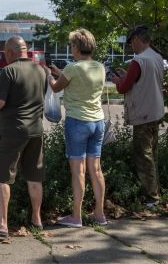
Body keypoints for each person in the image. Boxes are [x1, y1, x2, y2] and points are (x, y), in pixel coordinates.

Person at [0, 35, 46, 238]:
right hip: (36, 130)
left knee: (3, 178)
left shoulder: (8, 71)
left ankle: (1, 225)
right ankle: (37, 220)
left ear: (10, 52)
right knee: (35, 177)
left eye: (5, 53)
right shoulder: (40, 70)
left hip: (13, 132)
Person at [44, 28, 107, 227]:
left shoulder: (72, 68)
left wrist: (49, 75)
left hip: (78, 123)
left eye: (72, 45)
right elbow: (79, 81)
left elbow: (56, 87)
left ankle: (76, 216)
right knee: (96, 170)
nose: (71, 48)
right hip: (98, 122)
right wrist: (59, 72)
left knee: (78, 171)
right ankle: (99, 214)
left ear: (77, 47)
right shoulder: (99, 67)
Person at [111, 25, 165, 207]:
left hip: (142, 114)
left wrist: (119, 80)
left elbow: (123, 88)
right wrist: (127, 77)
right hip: (156, 111)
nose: (131, 46)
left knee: (144, 156)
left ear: (136, 39)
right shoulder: (157, 57)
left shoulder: (138, 61)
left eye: (131, 42)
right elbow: (142, 81)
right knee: (153, 154)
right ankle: (156, 191)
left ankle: (152, 198)